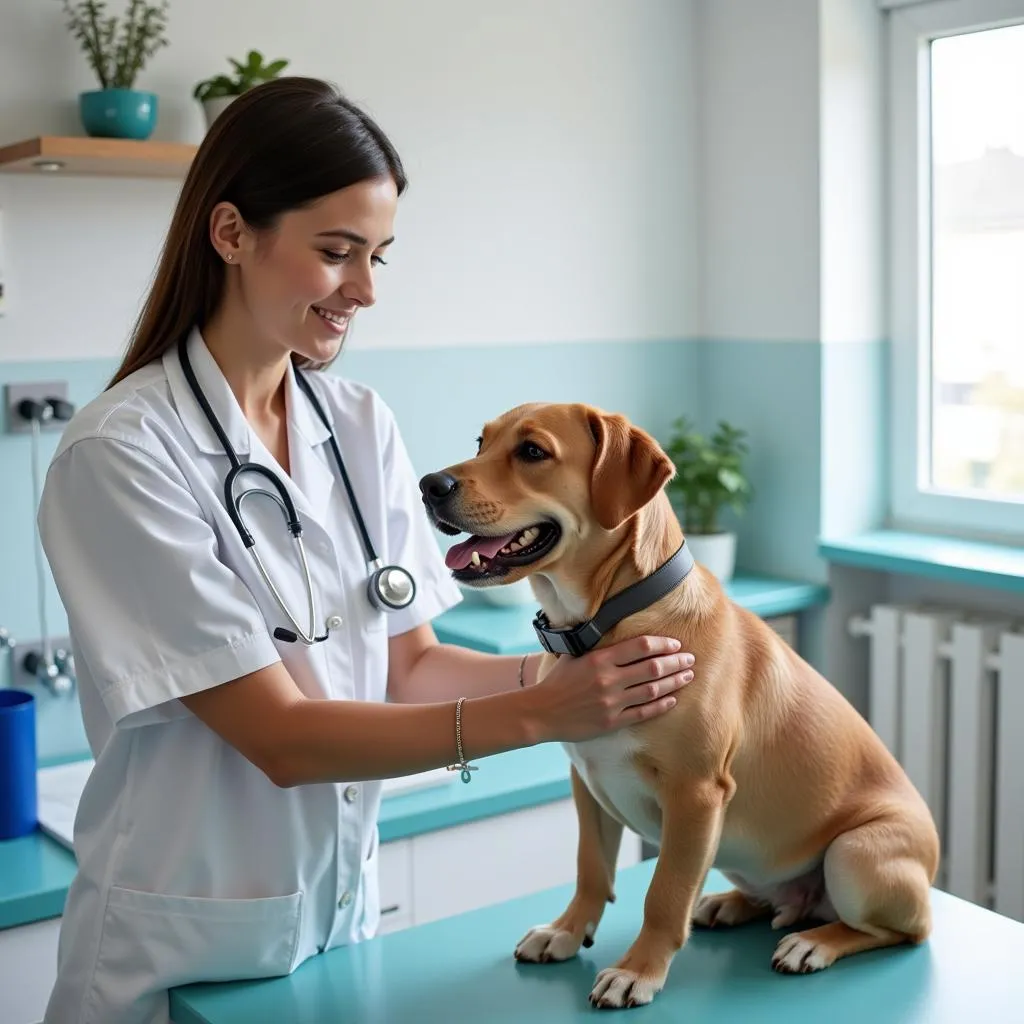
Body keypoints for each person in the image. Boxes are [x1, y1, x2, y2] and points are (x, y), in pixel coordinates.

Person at [36, 76, 696, 1024]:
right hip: (179, 951)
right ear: (230, 234)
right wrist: (547, 712)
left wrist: (590, 682)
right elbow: (281, 736)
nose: (366, 291)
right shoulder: (122, 454)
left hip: (339, 935)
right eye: (337, 253)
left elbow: (411, 662)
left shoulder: (356, 423)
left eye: (379, 255)